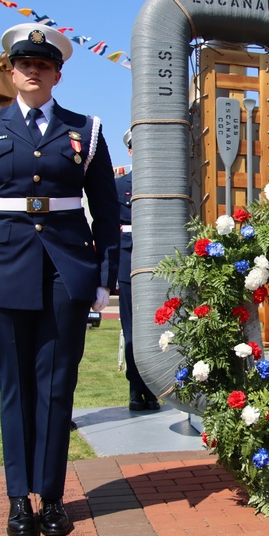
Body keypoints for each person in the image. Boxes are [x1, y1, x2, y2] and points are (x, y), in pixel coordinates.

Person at [0, 23, 119, 536]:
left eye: (42, 64)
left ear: (57, 74)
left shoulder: (85, 130)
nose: (33, 70)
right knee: (16, 386)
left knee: (57, 385)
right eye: (24, 63)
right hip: (2, 266)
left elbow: (106, 210)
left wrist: (104, 277)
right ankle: (19, 498)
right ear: (11, 69)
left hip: (66, 269)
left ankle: (53, 497)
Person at [116, 134, 159, 411]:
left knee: (159, 328)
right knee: (132, 330)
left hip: (159, 262)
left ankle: (156, 385)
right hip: (128, 260)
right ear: (131, 152)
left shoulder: (162, 182)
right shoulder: (118, 186)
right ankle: (136, 389)